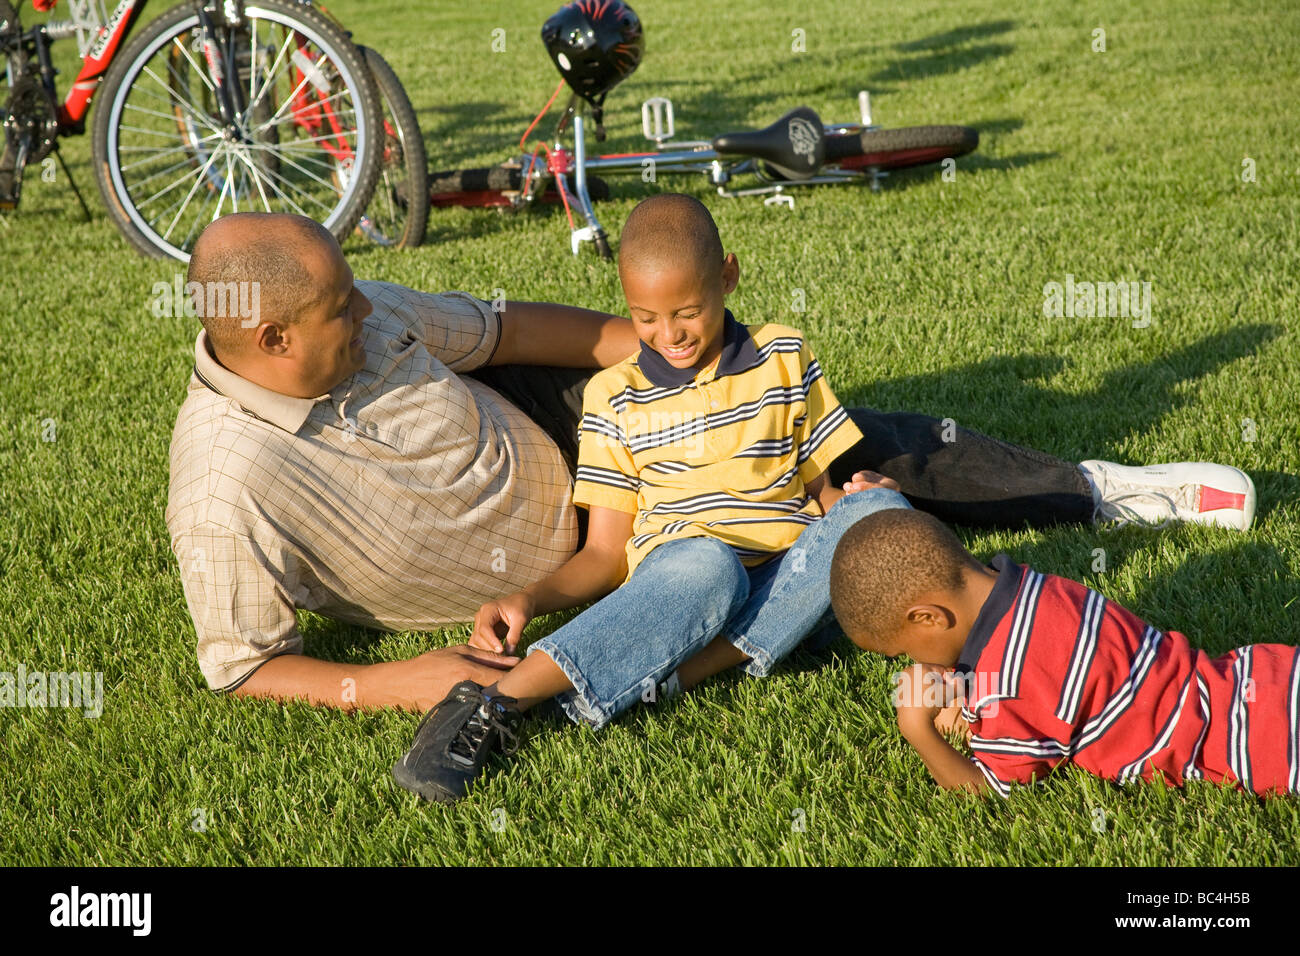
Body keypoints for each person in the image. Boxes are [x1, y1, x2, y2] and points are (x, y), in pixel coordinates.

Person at [166, 211, 1256, 715]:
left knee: (853, 442)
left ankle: (1095, 485)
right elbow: (246, 665)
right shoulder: (224, 483)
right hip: (586, 547)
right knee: (818, 534)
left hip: (568, 422)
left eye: (356, 294)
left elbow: (504, 332)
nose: (366, 308)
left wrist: (671, 362)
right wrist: (388, 683)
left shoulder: (357, 312)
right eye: (339, 310)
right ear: (267, 341)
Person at [391, 193, 907, 802]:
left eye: (687, 311)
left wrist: (858, 500)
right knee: (709, 564)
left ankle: (676, 667)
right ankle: (494, 701)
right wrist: (527, 597)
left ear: (728, 277)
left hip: (792, 579)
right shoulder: (614, 397)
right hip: (682, 581)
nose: (669, 335)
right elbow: (607, 554)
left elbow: (819, 489)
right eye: (646, 318)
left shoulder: (784, 356)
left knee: (883, 515)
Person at [828, 505, 1300, 797]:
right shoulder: (1034, 587)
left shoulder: (1009, 688)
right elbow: (1043, 673)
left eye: (900, 652)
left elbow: (989, 794)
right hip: (1258, 675)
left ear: (928, 617)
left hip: (1253, 745)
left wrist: (918, 731)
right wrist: (968, 704)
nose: (914, 664)